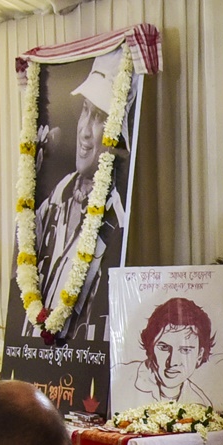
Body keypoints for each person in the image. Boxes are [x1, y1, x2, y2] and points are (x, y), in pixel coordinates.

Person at [32, 52, 128, 343]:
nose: (85, 131)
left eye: (99, 118)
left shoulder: (117, 226)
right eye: (85, 111)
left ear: (116, 140)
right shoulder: (51, 203)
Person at [112, 296, 219, 407]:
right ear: (150, 347)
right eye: (164, 348)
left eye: (185, 350)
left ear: (199, 355)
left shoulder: (202, 404)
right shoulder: (119, 379)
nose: (172, 362)